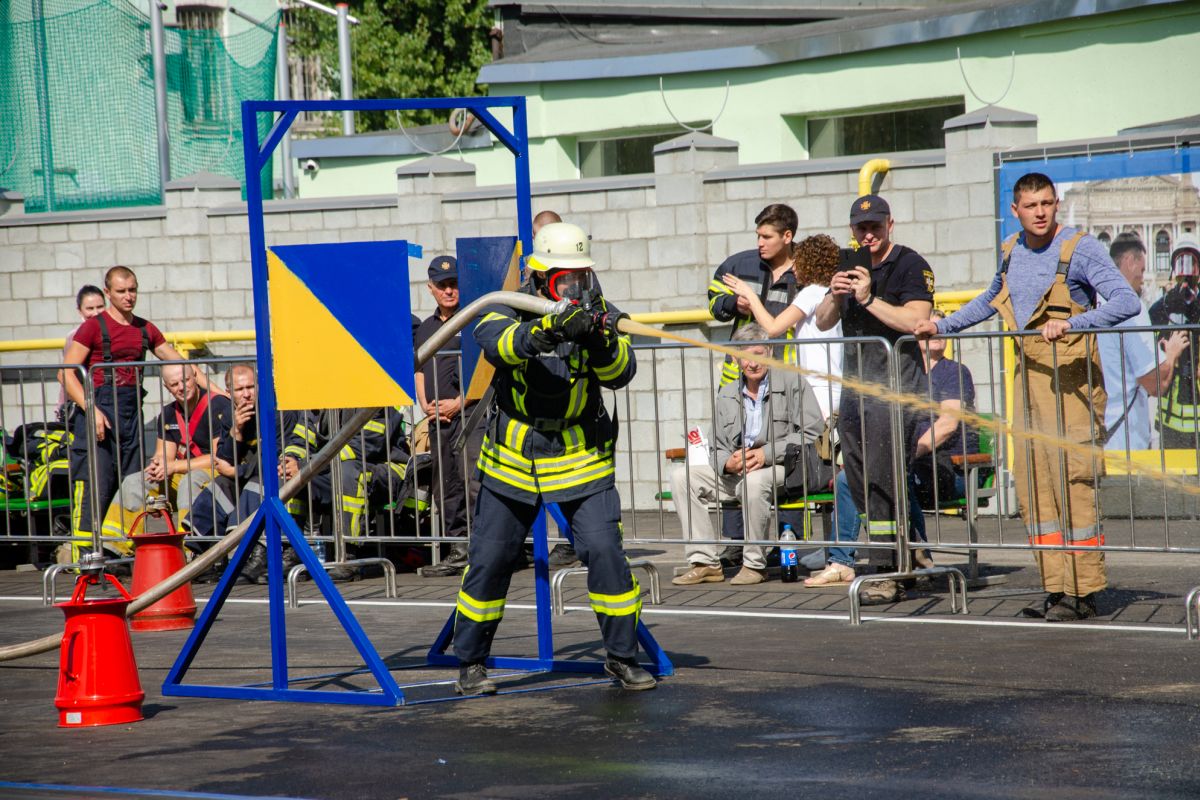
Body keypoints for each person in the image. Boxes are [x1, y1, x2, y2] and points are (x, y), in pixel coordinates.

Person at [915, 172, 1140, 622]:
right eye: (1030, 205)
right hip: (1029, 383)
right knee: (1037, 487)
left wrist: (1072, 324)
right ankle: (1056, 590)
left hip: (1071, 383)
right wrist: (940, 326)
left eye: (1047, 203)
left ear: (1056, 205)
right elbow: (989, 300)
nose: (1040, 212)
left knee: (1072, 483)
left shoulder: (1080, 249)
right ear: (1015, 210)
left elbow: (1126, 301)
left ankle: (1085, 593)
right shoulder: (1011, 250)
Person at [452, 221, 654, 695]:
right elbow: (497, 344)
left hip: (581, 456)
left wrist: (598, 339)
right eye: (566, 279)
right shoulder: (505, 305)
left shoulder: (601, 313)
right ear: (541, 278)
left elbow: (622, 371)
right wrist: (545, 329)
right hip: (513, 461)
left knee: (605, 553)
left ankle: (622, 658)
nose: (577, 288)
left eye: (582, 277)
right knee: (490, 559)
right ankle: (471, 663)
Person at [814, 194, 935, 604]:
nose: (868, 235)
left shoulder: (910, 264)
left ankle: (887, 569)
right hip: (856, 385)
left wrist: (868, 299)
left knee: (885, 476)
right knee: (859, 476)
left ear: (890, 225)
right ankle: (910, 548)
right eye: (861, 228)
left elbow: (918, 320)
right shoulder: (848, 263)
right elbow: (823, 320)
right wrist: (835, 293)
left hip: (895, 387)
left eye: (875, 227)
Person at [669, 323, 825, 586]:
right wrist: (725, 463)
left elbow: (811, 432)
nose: (752, 363)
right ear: (737, 359)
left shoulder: (792, 382)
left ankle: (755, 564)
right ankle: (705, 562)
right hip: (738, 470)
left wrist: (765, 454)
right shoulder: (728, 393)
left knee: (753, 482)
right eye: (746, 356)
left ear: (769, 353)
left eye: (758, 355)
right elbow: (715, 446)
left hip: (784, 468)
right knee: (681, 477)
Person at [60, 266, 195, 562]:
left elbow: (181, 364)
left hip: (130, 419)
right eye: (121, 291)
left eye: (132, 289)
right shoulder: (94, 327)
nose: (128, 296)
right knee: (95, 488)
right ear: (108, 293)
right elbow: (66, 374)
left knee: (132, 487)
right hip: (96, 418)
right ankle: (85, 560)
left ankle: (121, 556)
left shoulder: (145, 329)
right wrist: (91, 408)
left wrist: (217, 390)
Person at [185, 364, 321, 583]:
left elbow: (276, 458)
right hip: (248, 475)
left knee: (255, 485)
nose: (247, 394)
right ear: (228, 393)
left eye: (251, 387)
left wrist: (237, 470)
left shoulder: (276, 411)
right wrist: (236, 432)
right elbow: (223, 461)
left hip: (277, 476)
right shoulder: (230, 415)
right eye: (240, 390)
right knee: (218, 487)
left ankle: (256, 554)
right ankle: (204, 555)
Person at [100, 362, 232, 541]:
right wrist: (158, 464)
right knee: (134, 482)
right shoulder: (168, 414)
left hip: (218, 475)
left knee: (190, 482)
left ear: (194, 376)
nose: (181, 388)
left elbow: (218, 457)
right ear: (166, 387)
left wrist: (173, 466)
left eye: (185, 380)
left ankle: (189, 548)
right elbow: (163, 455)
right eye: (174, 384)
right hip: (184, 473)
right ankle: (115, 548)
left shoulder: (218, 405)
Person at [721, 233, 844, 421]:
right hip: (831, 387)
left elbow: (772, 328)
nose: (793, 268)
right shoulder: (826, 292)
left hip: (819, 389)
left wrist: (749, 294)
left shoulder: (812, 292)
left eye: (798, 261)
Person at [414, 255, 483, 578]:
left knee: (473, 481)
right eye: (442, 286)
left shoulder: (471, 321)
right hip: (437, 418)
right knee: (446, 484)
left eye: (454, 284)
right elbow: (418, 367)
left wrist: (459, 401)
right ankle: (458, 547)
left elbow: (484, 369)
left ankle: (480, 546)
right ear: (431, 289)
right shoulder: (426, 328)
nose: (449, 290)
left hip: (469, 414)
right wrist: (425, 403)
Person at [1101, 234, 1188, 451]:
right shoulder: (1131, 307)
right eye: (1141, 270)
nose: (1142, 278)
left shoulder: (1096, 302)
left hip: (1100, 437)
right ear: (1130, 261)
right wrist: (1171, 354)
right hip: (1127, 442)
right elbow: (1155, 384)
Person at [708, 204, 799, 386]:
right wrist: (733, 303)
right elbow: (714, 302)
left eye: (767, 237)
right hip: (739, 378)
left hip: (787, 376)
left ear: (787, 236)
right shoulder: (739, 265)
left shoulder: (805, 271)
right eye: (758, 236)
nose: (760, 243)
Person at [1148, 239, 1200, 448]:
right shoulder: (1160, 309)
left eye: (1192, 263)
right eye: (1181, 263)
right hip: (1169, 418)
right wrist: (1169, 354)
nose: (1186, 274)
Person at [55, 285, 106, 423]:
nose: (96, 313)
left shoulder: (108, 331)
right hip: (84, 404)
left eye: (100, 307)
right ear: (79, 311)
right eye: (90, 308)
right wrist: (62, 406)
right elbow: (67, 374)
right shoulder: (74, 336)